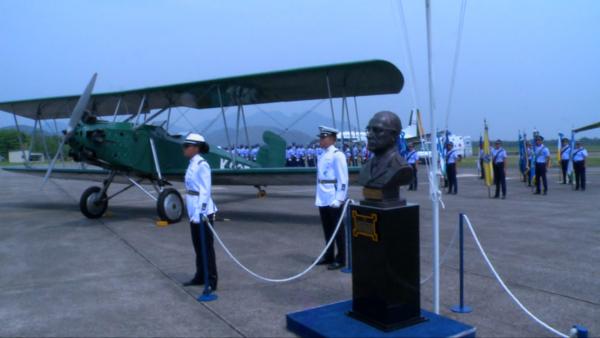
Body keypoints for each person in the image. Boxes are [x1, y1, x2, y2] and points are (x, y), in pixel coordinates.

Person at [182, 133, 218, 291]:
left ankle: (211, 280)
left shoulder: (202, 164)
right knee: (198, 246)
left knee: (207, 247)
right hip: (193, 210)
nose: (184, 149)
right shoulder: (192, 163)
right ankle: (200, 276)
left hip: (203, 211)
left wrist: (201, 211)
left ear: (195, 148)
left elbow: (205, 190)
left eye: (186, 146)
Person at [315, 126, 348, 270]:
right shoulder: (322, 155)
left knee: (338, 230)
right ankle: (329, 255)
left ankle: (341, 258)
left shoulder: (337, 155)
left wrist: (340, 198)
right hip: (323, 196)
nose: (321, 140)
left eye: (324, 137)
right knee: (327, 229)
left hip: (333, 197)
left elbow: (343, 179)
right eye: (320, 137)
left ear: (332, 139)